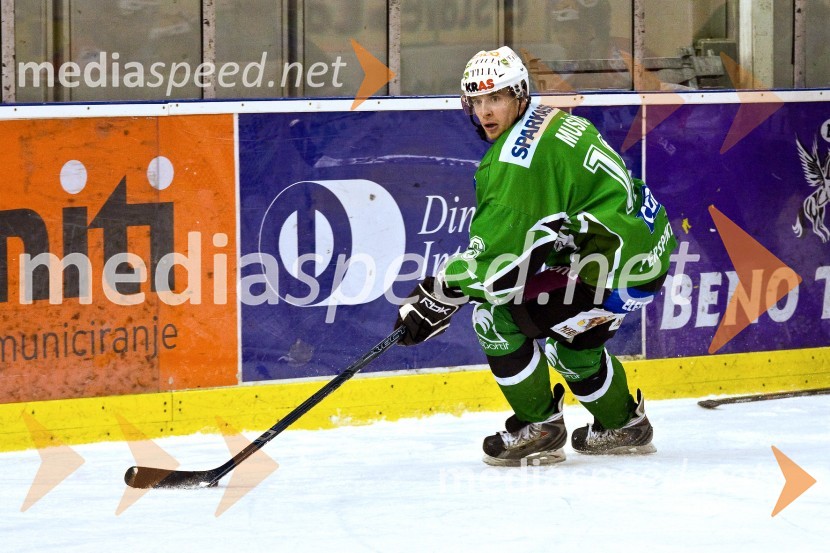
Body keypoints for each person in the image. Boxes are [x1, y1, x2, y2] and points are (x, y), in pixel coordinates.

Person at [394, 46, 678, 467]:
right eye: (477, 100)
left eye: (497, 98)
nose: (486, 111)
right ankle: (623, 425)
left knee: (493, 316)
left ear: (520, 96)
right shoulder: (547, 121)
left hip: (607, 267)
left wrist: (440, 293)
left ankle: (539, 427)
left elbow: (497, 268)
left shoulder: (516, 163)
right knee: (571, 346)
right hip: (643, 255)